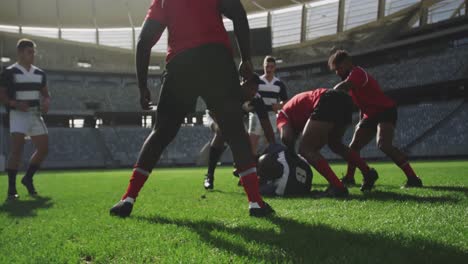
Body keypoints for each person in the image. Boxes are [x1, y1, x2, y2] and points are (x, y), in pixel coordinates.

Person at [110, 0, 274, 217]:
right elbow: (239, 14)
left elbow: (143, 41)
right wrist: (245, 59)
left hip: (181, 65)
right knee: (234, 130)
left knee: (161, 132)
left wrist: (142, 86)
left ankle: (128, 198)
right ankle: (255, 202)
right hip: (215, 60)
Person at [328, 50, 422, 188]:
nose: (337, 72)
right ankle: (349, 178)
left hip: (385, 111)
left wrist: (328, 96)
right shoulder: (352, 78)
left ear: (348, 64)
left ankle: (413, 179)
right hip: (370, 115)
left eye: (339, 68)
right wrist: (361, 121)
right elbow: (363, 103)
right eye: (335, 70)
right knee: (354, 147)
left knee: (384, 144)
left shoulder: (357, 73)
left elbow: (343, 87)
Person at [277, 88, 378, 197]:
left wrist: (291, 156)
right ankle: (368, 172)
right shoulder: (295, 110)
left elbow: (286, 137)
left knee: (306, 150)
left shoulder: (282, 114)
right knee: (335, 144)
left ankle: (337, 187)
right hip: (344, 100)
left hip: (326, 100)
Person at [203, 74, 276, 190]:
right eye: (252, 88)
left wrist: (274, 144)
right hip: (214, 114)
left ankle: (245, 175)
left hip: (234, 119)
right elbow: (212, 108)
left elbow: (265, 122)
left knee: (247, 143)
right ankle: (209, 175)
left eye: (256, 88)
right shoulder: (229, 92)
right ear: (243, 83)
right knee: (222, 131)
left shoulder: (256, 98)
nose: (254, 92)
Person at [0, 38, 50, 200]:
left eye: (33, 52)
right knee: (17, 150)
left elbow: (45, 93)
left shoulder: (40, 73)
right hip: (18, 114)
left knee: (43, 148)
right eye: (30, 52)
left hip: (35, 114)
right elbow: (2, 95)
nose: (33, 55)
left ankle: (27, 178)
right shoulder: (9, 72)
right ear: (20, 53)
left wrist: (47, 101)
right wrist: (13, 103)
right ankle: (11, 188)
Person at [248, 56, 287, 156]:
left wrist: (279, 105)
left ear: (275, 68)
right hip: (257, 115)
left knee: (269, 144)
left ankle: (265, 166)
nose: (269, 69)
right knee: (252, 142)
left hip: (271, 116)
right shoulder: (257, 81)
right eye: (267, 66)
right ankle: (252, 168)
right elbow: (249, 96)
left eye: (271, 67)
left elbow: (285, 101)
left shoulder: (279, 83)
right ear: (263, 67)